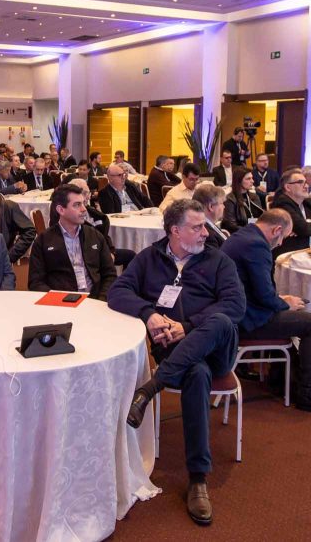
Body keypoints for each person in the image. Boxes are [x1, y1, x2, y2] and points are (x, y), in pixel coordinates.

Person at [107, 200, 244, 526]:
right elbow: (118, 292)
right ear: (175, 231)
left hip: (216, 349)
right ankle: (198, 478)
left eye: (204, 225)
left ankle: (150, 388)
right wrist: (150, 315)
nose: (205, 232)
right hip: (174, 350)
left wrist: (188, 326)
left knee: (220, 321)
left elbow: (236, 305)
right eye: (197, 227)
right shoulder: (149, 258)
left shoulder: (218, 260)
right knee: (196, 373)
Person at [222, 210, 311, 414]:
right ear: (277, 230)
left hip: (237, 311)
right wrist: (285, 303)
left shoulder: (244, 235)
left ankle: (280, 378)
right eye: (283, 237)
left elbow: (256, 289)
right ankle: (309, 393)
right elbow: (265, 296)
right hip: (246, 319)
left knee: (294, 314)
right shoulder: (256, 245)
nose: (281, 243)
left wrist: (281, 300)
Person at [29, 184, 117, 300]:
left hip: (95, 300)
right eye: (77, 205)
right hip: (61, 302)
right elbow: (36, 282)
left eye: (83, 203)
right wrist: (58, 300)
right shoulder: (44, 241)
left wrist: (101, 299)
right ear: (61, 210)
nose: (84, 209)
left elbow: (110, 274)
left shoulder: (95, 236)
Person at [270, 168, 311, 255]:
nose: (306, 186)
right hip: (292, 254)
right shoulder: (282, 204)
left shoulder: (309, 202)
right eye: (300, 182)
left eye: (305, 182)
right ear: (288, 187)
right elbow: (303, 228)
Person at [222, 168, 264, 234]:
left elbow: (260, 217)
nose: (252, 181)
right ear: (239, 181)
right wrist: (250, 230)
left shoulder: (254, 197)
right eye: (248, 179)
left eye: (252, 178)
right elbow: (230, 225)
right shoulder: (230, 199)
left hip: (255, 232)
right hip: (240, 234)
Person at [193, 184, 229, 250]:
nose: (224, 207)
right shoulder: (206, 234)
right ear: (211, 207)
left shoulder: (210, 224)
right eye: (222, 203)